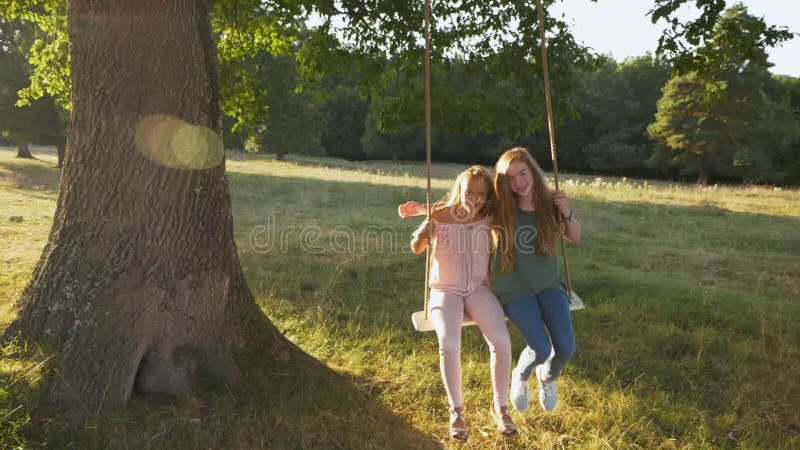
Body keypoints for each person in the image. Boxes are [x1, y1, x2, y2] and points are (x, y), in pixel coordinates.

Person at [402, 165, 517, 442]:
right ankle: (457, 411)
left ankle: (500, 408)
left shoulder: (489, 216)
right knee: (450, 344)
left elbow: (519, 209)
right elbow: (416, 248)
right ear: (459, 190)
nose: (474, 197)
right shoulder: (440, 215)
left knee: (501, 341)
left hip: (478, 289)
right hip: (445, 291)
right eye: (469, 191)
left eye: (481, 193)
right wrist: (423, 231)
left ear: (487, 195)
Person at [493, 147, 580, 413]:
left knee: (565, 347)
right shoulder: (501, 207)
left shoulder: (550, 202)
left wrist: (566, 211)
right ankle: (520, 376)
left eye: (522, 173)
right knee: (541, 348)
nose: (518, 182)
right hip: (514, 288)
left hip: (549, 285)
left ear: (532, 170)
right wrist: (423, 209)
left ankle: (547, 378)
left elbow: (574, 236)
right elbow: (463, 206)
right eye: (510, 178)